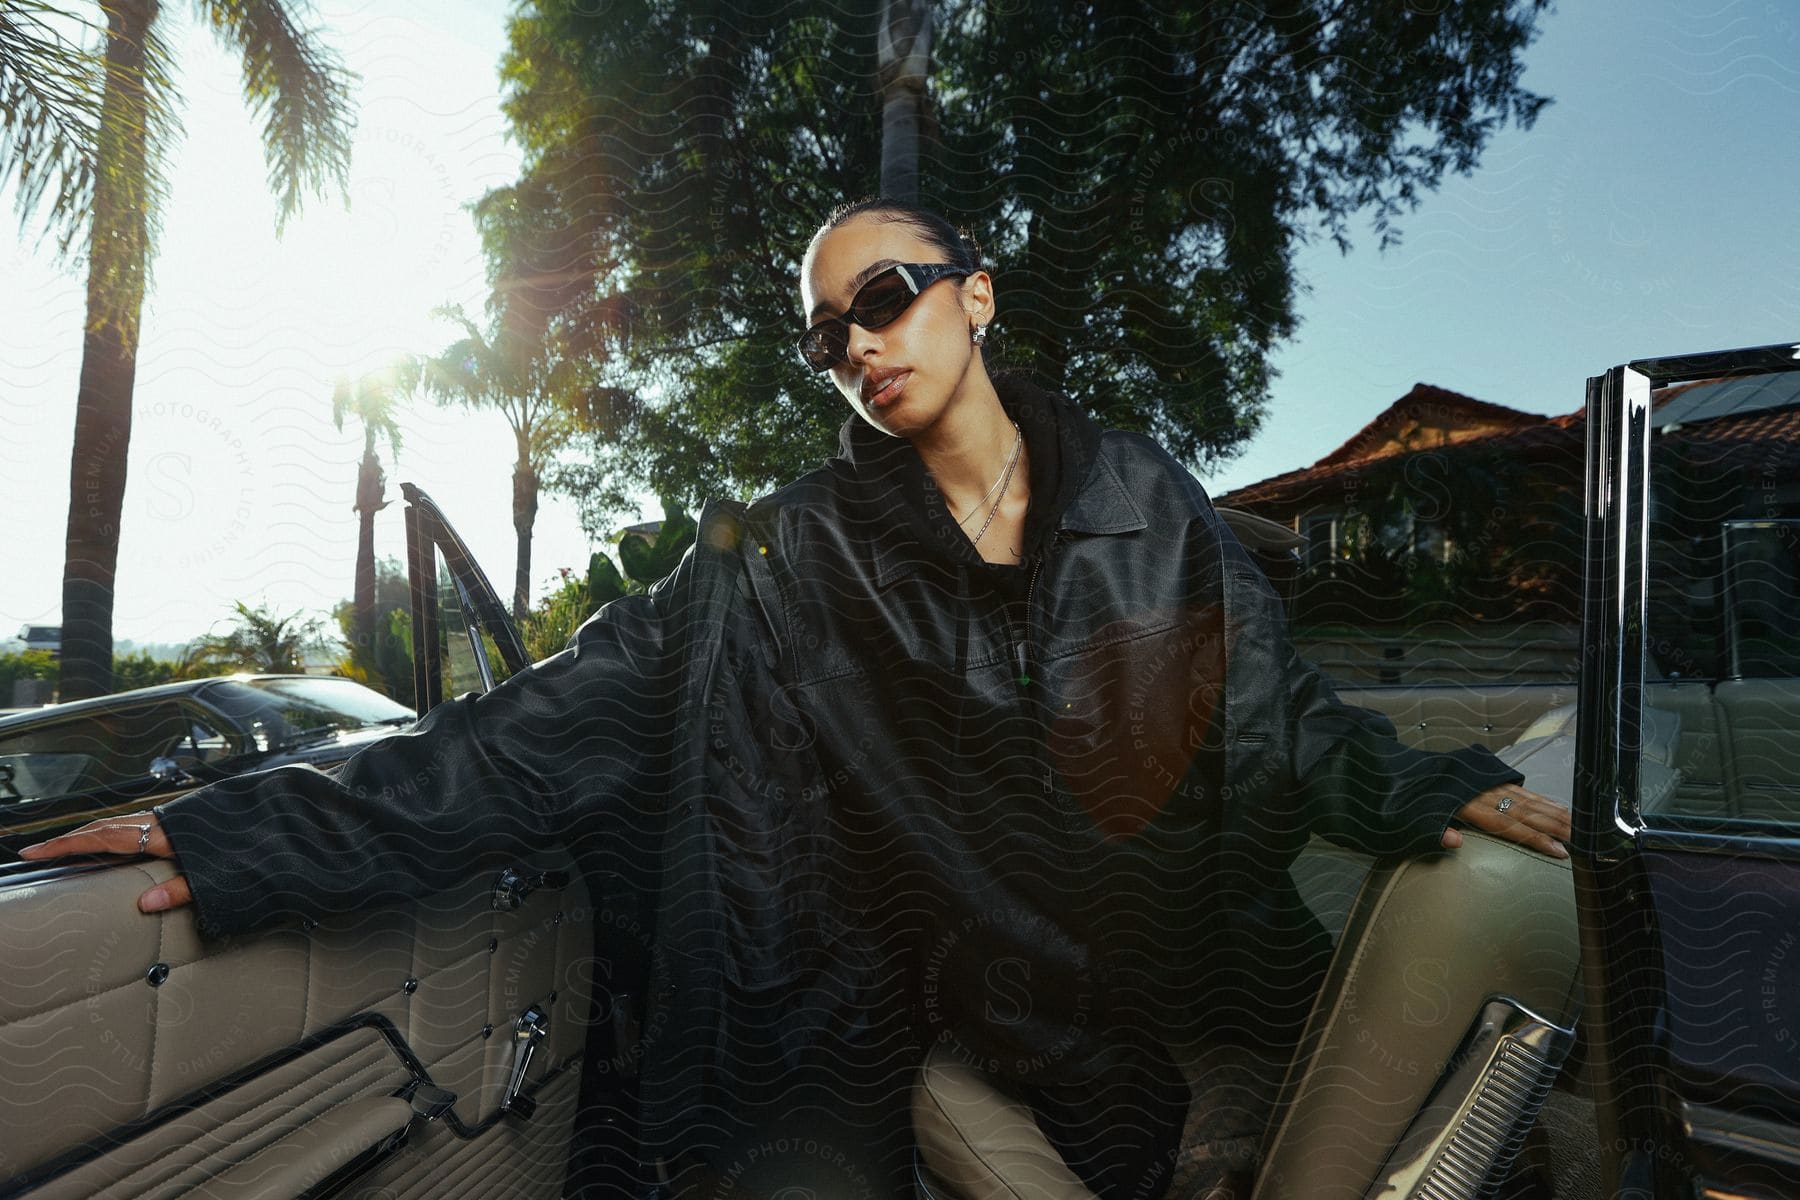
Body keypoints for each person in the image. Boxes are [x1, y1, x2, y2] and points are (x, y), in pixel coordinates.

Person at [21, 197, 1571, 1200]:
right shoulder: (794, 555)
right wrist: (241, 835)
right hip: (957, 999)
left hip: (1185, 980)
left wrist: (1430, 792)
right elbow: (546, 721)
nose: (859, 344)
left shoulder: (1147, 495)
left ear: (976, 296)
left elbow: (1274, 708)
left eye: (887, 297)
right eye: (830, 332)